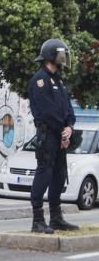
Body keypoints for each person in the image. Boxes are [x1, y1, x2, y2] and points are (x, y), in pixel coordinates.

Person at [28, 38, 78, 233]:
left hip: (60, 136)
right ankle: (37, 219)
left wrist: (70, 127)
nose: (63, 59)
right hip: (48, 135)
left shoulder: (58, 80)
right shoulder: (40, 80)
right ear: (51, 56)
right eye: (60, 55)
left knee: (58, 175)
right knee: (44, 173)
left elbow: (67, 109)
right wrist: (61, 131)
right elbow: (47, 112)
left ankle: (56, 218)